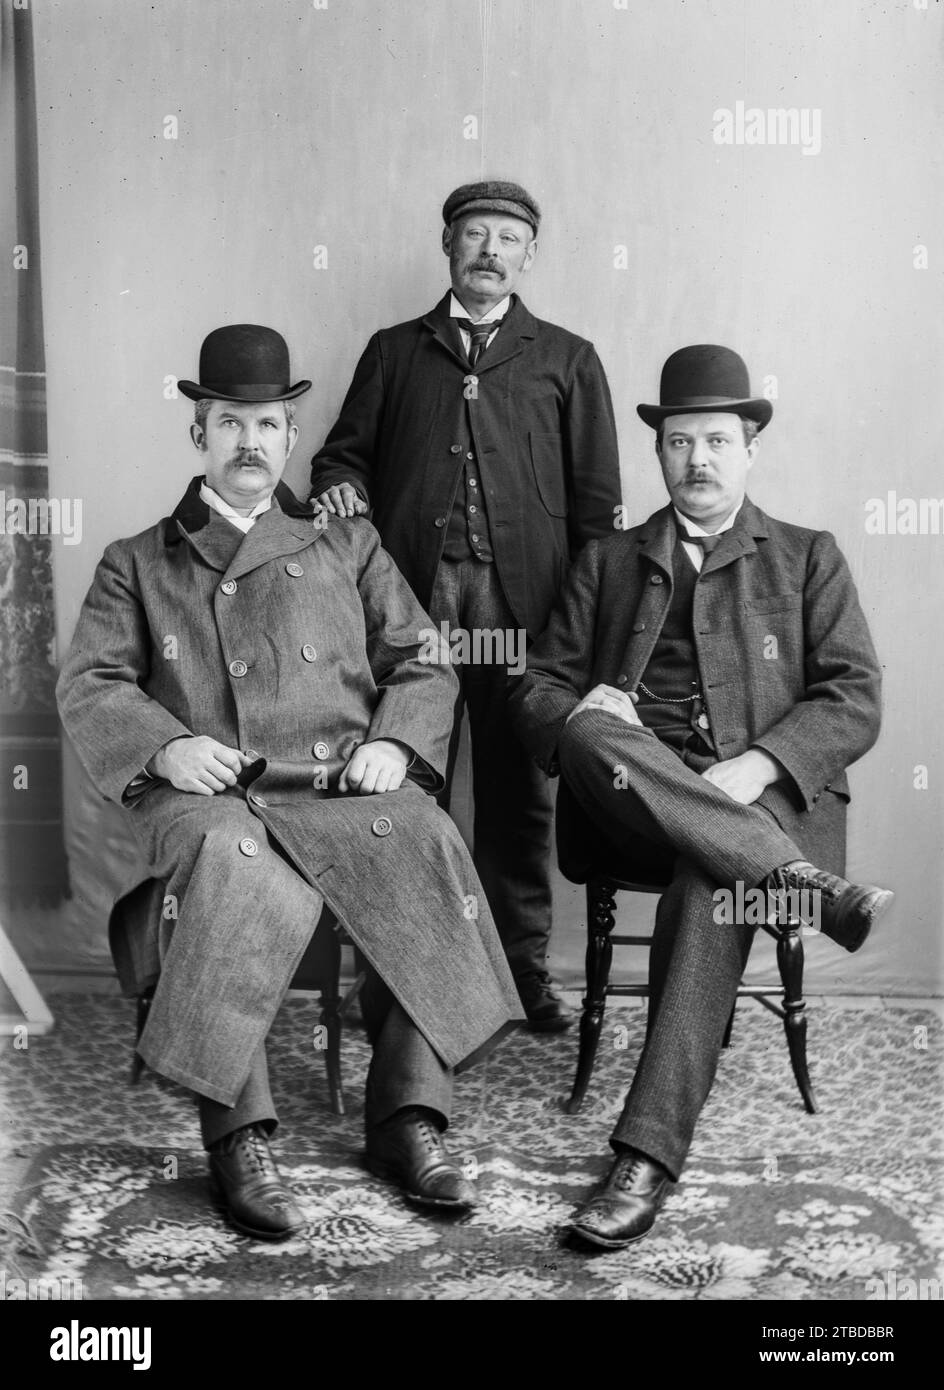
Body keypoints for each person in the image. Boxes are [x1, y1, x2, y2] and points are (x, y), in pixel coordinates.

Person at [57, 324, 523, 1242]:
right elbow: (92, 683)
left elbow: (425, 660)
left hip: (340, 781)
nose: (250, 444)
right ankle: (240, 1138)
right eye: (230, 423)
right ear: (200, 432)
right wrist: (166, 748)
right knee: (232, 859)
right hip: (214, 791)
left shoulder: (345, 543)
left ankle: (407, 1117)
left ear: (289, 433)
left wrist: (394, 742)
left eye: (268, 425)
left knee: (424, 833)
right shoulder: (139, 559)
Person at [509, 344, 894, 1248]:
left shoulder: (806, 558)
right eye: (680, 442)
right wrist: (582, 708)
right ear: (661, 453)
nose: (699, 461)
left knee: (715, 875)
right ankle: (809, 887)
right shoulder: (609, 561)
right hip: (630, 810)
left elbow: (854, 696)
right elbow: (533, 687)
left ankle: (643, 1159)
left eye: (717, 440)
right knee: (590, 725)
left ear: (750, 445)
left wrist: (760, 765)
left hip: (760, 808)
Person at [309, 180, 622, 1030]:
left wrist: (586, 628)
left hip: (525, 614)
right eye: (474, 234)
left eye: (509, 237)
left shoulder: (566, 357)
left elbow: (600, 515)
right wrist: (340, 491)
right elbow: (340, 460)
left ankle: (521, 976)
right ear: (447, 246)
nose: (490, 249)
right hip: (415, 609)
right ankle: (412, 980)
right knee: (409, 788)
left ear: (530, 255)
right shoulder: (395, 351)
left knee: (522, 794)